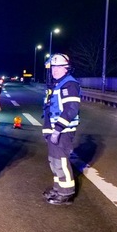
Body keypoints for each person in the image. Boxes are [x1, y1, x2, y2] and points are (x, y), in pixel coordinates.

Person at [41, 53, 81, 205]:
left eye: (58, 67)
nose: (54, 70)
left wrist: (57, 129)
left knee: (60, 161)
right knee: (54, 161)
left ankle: (66, 193)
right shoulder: (58, 84)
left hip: (63, 132)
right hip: (55, 130)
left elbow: (71, 108)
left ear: (66, 69)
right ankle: (58, 188)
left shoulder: (69, 84)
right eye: (53, 67)